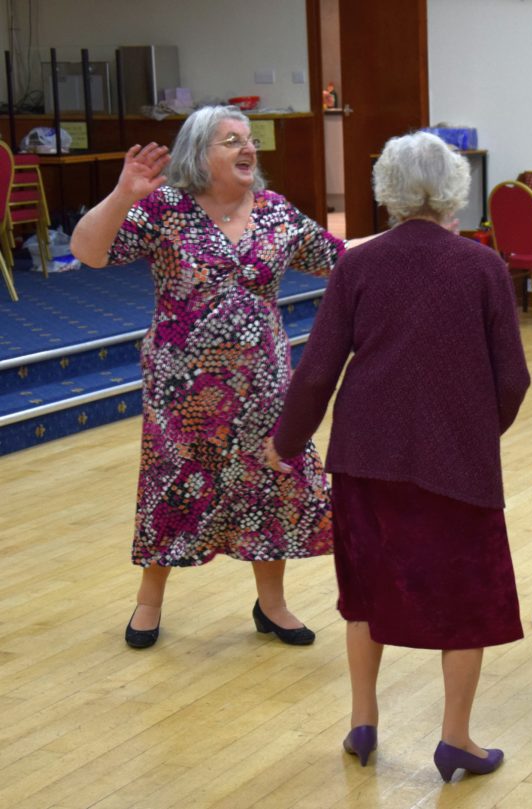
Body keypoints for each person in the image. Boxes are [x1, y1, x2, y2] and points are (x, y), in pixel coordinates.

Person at [265, 131, 530, 781]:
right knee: (467, 598)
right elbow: (514, 379)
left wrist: (286, 440)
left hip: (365, 456)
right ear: (454, 188)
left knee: (366, 590)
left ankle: (363, 720)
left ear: (387, 190)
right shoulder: (484, 266)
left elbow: (318, 368)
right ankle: (456, 738)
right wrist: (477, 430)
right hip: (456, 464)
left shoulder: (358, 265)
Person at [70, 105, 373, 650]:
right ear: (198, 155)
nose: (247, 148)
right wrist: (122, 195)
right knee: (173, 490)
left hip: (264, 385)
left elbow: (341, 259)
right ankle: (149, 602)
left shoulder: (277, 213)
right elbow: (87, 253)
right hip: (181, 392)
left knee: (270, 487)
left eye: (249, 139)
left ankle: (273, 604)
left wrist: (413, 240)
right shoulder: (164, 208)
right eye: (231, 140)